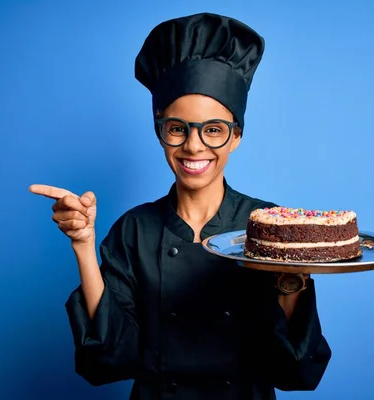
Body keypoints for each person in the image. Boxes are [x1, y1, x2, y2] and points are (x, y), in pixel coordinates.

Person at [30, 12, 331, 400]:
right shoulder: (135, 229)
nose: (193, 146)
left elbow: (296, 372)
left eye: (213, 130)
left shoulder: (268, 226)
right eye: (177, 128)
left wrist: (292, 278)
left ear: (236, 136)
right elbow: (109, 361)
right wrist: (84, 245)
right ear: (160, 131)